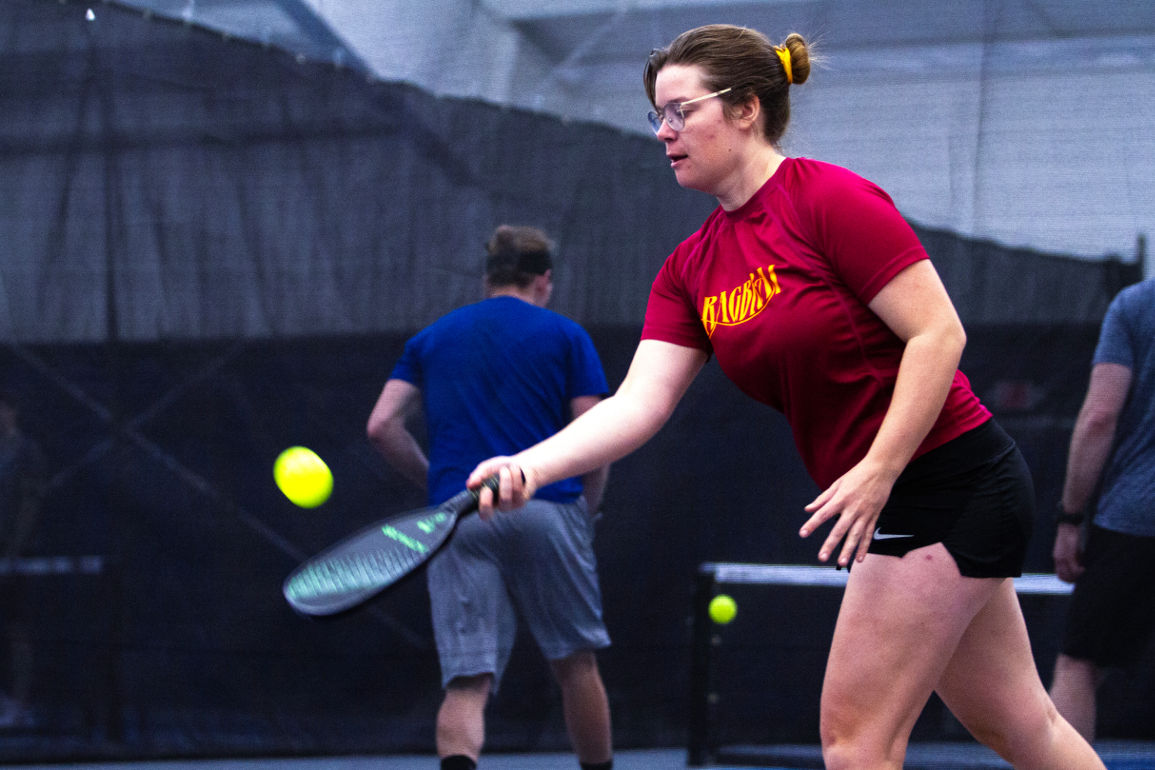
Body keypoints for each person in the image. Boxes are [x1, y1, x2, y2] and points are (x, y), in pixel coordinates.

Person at [466, 24, 1104, 770]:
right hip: (905, 493)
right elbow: (638, 403)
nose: (663, 132)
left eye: (680, 111)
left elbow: (938, 335)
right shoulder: (690, 268)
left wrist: (879, 469)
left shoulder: (830, 200)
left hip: (943, 480)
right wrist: (530, 466)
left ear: (744, 109)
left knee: (854, 743)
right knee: (1022, 726)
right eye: (656, 116)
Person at [366, 226, 614, 770]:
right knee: (577, 665)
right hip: (549, 509)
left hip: (460, 517)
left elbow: (382, 425)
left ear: (488, 278)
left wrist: (441, 486)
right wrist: (583, 515)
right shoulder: (567, 335)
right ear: (544, 280)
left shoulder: (431, 339)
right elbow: (597, 438)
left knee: (467, 681)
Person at [1049, 277, 1155, 742]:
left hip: (1135, 519)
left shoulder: (1136, 306)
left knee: (1079, 662)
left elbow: (1099, 418)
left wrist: (1071, 518)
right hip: (1137, 514)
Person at [0, 389, 46, 728]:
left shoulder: (28, 452)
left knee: (18, 629)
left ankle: (20, 702)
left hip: (18, 557)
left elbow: (30, 504)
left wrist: (14, 549)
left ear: (13, 411)